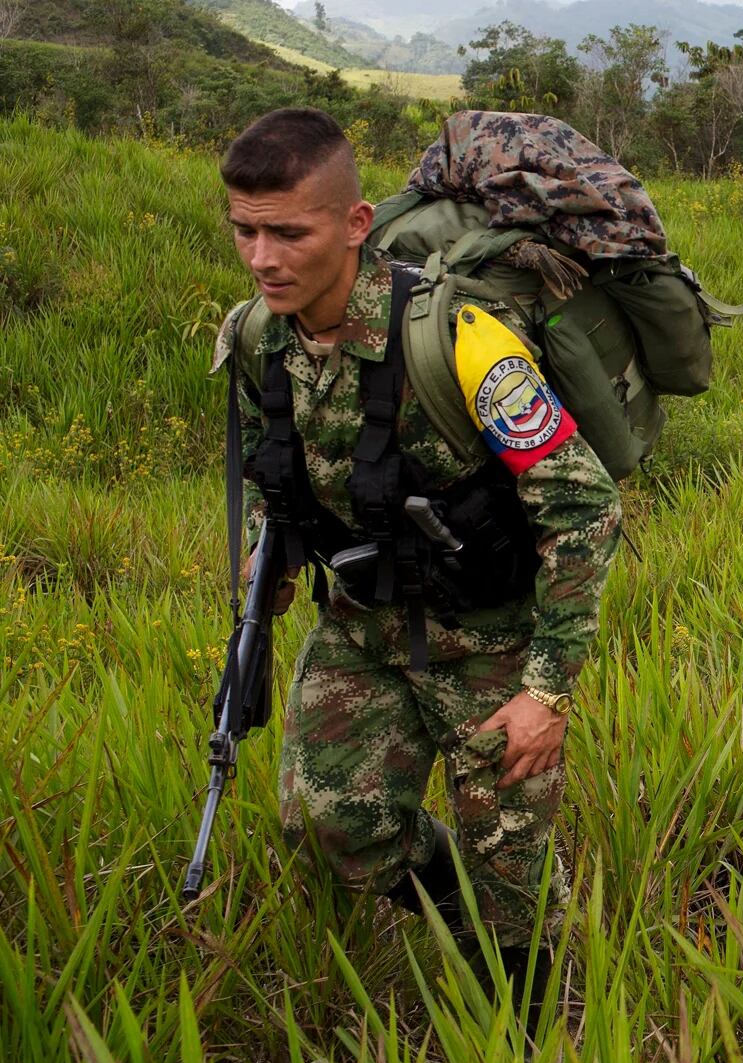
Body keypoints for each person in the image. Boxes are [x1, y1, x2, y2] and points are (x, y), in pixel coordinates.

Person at [213, 108, 621, 1003]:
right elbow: (276, 469)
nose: (262, 258)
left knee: (509, 878)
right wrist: (266, 558)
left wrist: (547, 690)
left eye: (288, 232)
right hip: (361, 629)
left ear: (356, 224)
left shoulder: (460, 338)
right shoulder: (254, 337)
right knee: (326, 825)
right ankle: (450, 901)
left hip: (488, 645)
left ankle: (521, 1025)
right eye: (244, 230)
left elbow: (585, 506)